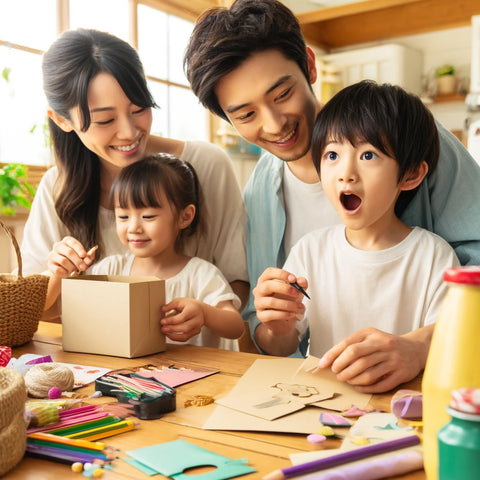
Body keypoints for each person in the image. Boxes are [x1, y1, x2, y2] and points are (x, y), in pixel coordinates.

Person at [183, 0, 480, 364]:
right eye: (246, 114)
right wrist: (273, 321)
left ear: (309, 66)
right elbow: (272, 334)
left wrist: (421, 346)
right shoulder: (262, 187)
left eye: (282, 95)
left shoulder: (406, 136)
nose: (274, 124)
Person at [20, 28, 249, 317]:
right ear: (62, 120)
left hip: (193, 357)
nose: (129, 132)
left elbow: (238, 283)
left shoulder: (206, 164)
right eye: (105, 120)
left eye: (139, 108)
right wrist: (58, 273)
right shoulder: (57, 186)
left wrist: (202, 319)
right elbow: (32, 310)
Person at [253, 80, 460, 392]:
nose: (345, 173)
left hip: (399, 409)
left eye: (368, 155)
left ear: (411, 174)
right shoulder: (311, 250)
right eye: (332, 155)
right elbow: (281, 347)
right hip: (318, 404)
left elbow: (453, 345)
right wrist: (277, 326)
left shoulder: (433, 256)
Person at [45, 153, 244, 350]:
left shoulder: (200, 274)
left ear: (185, 217)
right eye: (123, 217)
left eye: (148, 216)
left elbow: (235, 327)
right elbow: (49, 311)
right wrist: (58, 274)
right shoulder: (109, 269)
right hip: (126, 376)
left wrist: (205, 313)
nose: (133, 228)